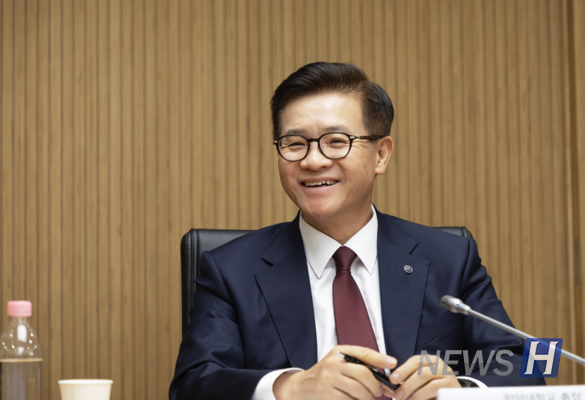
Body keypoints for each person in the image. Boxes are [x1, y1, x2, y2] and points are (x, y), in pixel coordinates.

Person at [170, 62, 544, 400]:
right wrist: (290, 388)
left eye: (336, 141)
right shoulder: (231, 270)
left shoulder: (450, 258)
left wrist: (463, 389)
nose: (313, 161)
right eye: (295, 144)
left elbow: (525, 366)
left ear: (381, 154)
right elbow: (193, 384)